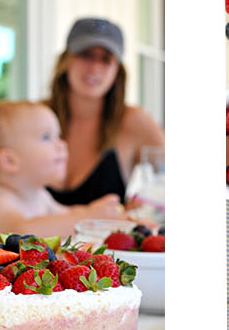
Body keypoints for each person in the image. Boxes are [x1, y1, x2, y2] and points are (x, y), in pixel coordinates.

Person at [45, 17, 165, 207]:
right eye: (86, 55)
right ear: (66, 60)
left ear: (117, 70)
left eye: (106, 59)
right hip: (30, 237)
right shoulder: (37, 117)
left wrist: (145, 204)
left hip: (107, 237)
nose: (95, 68)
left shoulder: (132, 120)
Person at [0, 100, 124, 236]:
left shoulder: (41, 196)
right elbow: (22, 232)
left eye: (59, 135)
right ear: (10, 161)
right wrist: (90, 216)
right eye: (46, 137)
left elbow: (68, 215)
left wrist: (101, 214)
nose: (61, 144)